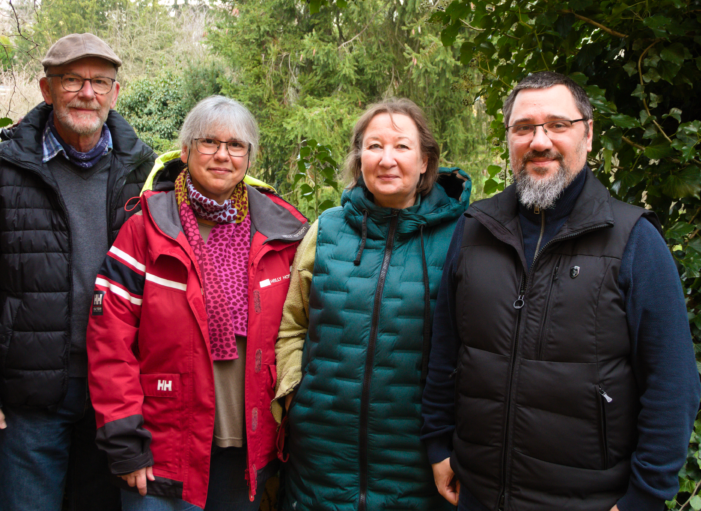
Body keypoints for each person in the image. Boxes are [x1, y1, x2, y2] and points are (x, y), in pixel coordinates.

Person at [421, 71, 701, 511]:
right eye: (524, 128)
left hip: (589, 500)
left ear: (588, 135)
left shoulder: (634, 240)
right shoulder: (475, 228)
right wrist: (438, 444)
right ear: (509, 138)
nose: (539, 141)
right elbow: (445, 350)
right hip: (475, 493)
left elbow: (673, 383)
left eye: (557, 125)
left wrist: (643, 499)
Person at [0, 33, 156, 510]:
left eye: (100, 82)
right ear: (46, 89)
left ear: (115, 93)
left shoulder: (145, 172)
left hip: (119, 394)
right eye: (73, 80)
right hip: (31, 396)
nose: (88, 93)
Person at [86, 95, 309, 511]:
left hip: (245, 449)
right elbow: (109, 344)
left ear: (249, 157)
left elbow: (302, 332)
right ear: (186, 151)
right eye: (209, 142)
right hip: (161, 447)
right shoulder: (146, 228)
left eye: (236, 145)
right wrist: (124, 443)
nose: (222, 155)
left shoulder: (284, 231)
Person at [274, 98, 471, 510]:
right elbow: (293, 323)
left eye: (401, 146)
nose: (386, 159)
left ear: (425, 162)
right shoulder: (326, 229)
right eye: (374, 146)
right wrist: (297, 396)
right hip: (321, 460)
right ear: (359, 157)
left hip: (416, 461)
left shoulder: (463, 237)